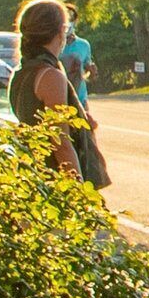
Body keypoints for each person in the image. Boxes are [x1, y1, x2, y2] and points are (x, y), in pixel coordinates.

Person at [12, 0, 93, 182]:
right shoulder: (50, 76)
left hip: (30, 174)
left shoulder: (22, 71)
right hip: (51, 179)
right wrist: (78, 192)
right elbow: (60, 142)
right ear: (59, 32)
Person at [58, 23, 114, 190]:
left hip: (79, 98)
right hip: (60, 97)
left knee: (86, 140)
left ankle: (91, 179)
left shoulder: (83, 45)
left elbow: (88, 67)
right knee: (65, 139)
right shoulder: (54, 47)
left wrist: (91, 70)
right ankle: (77, 183)